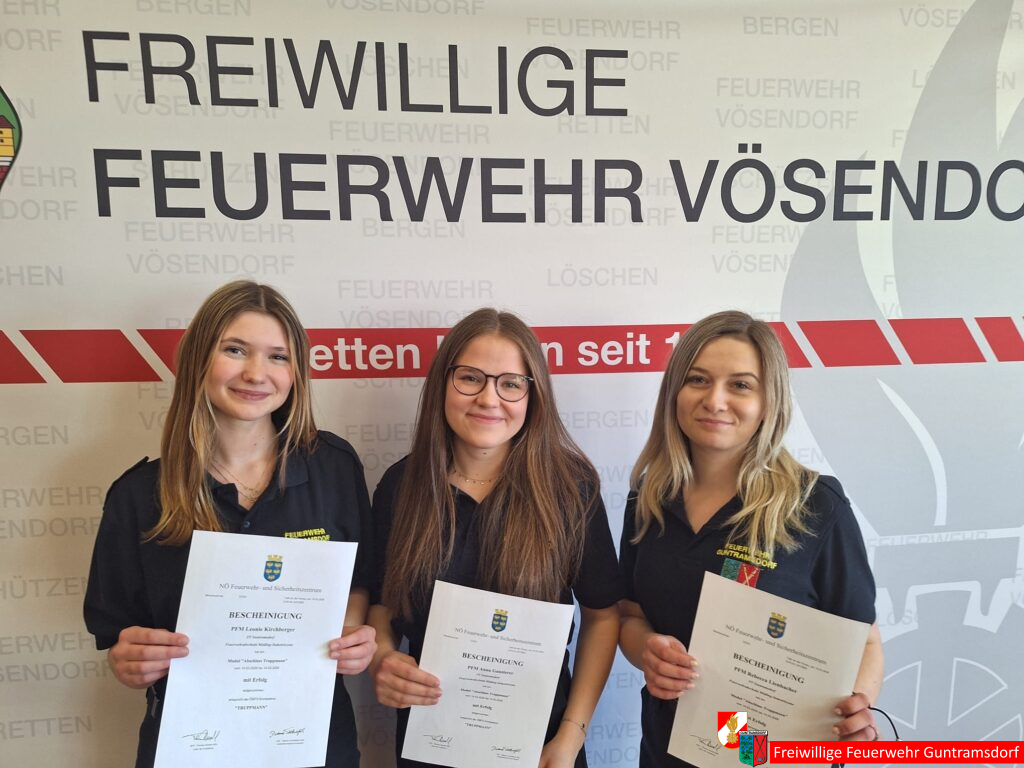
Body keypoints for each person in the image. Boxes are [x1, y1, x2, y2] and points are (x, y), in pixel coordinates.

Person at [83, 280, 377, 768]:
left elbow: (360, 578)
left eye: (278, 357)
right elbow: (118, 634)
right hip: (190, 744)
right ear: (199, 358)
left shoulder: (334, 467)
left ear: (296, 374)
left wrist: (352, 632)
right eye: (235, 350)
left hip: (311, 739)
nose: (256, 373)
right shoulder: (138, 495)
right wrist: (128, 659)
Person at [618, 310, 884, 767]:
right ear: (674, 391)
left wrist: (855, 710)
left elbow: (866, 641)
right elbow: (630, 616)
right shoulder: (648, 498)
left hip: (774, 753)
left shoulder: (816, 506)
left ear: (768, 401)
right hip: (668, 749)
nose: (715, 400)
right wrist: (646, 651)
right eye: (698, 380)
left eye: (740, 385)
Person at [368, 308, 622, 768]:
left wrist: (570, 736)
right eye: (470, 378)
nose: (489, 399)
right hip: (431, 743)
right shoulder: (400, 487)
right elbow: (382, 606)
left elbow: (603, 616)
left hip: (543, 748)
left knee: (746, 748)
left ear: (533, 395)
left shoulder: (571, 489)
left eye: (510, 384)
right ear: (443, 384)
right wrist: (382, 658)